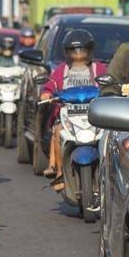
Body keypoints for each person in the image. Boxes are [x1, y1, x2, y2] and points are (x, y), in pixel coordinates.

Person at [39, 29, 107, 207]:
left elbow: (109, 83)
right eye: (74, 50)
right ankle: (60, 171)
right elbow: (49, 86)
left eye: (82, 50)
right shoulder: (61, 70)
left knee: (111, 137)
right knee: (58, 131)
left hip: (94, 116)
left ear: (90, 50)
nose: (78, 55)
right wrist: (46, 94)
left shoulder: (98, 68)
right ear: (67, 52)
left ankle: (109, 173)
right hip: (68, 116)